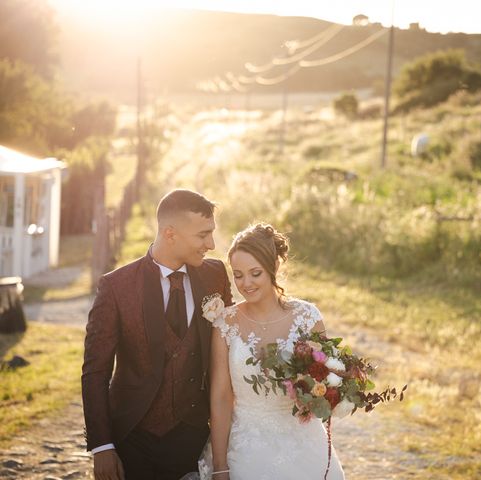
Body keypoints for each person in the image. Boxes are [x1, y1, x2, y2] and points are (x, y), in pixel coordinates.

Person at [82, 189, 233, 480]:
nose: (211, 244)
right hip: (133, 438)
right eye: (203, 235)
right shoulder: (117, 287)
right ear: (170, 233)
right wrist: (102, 445)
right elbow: (95, 371)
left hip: (195, 436)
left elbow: (231, 342)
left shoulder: (215, 275)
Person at [203, 223, 345, 479]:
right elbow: (221, 398)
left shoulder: (307, 317)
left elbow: (325, 380)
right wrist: (220, 464)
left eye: (255, 273)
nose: (245, 283)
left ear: (274, 267)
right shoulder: (226, 323)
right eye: (238, 274)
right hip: (245, 446)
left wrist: (316, 394)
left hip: (303, 443)